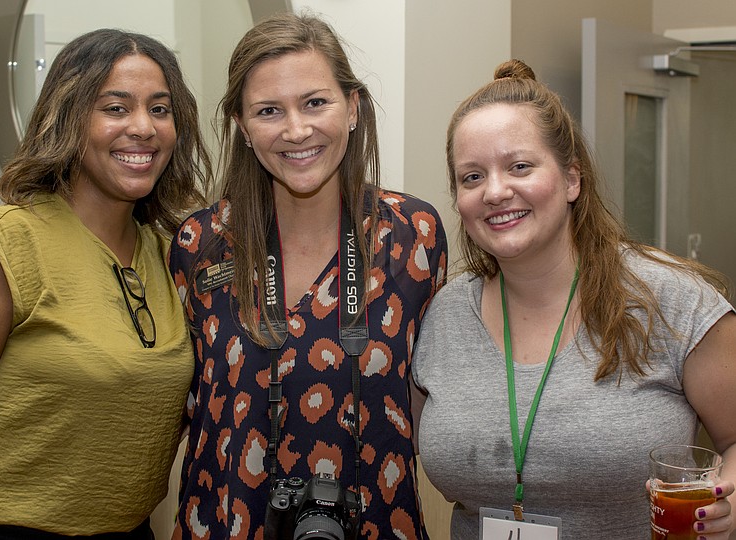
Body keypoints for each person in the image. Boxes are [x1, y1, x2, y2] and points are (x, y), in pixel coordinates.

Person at [411, 58, 736, 539]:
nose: (495, 192)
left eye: (520, 167)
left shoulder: (671, 301)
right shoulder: (443, 314)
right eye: (472, 177)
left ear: (571, 180)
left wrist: (728, 504)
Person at [0, 28, 211, 539]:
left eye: (160, 109)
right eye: (115, 108)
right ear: (69, 118)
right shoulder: (8, 243)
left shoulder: (172, 255)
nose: (143, 127)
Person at [169, 12, 447, 540]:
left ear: (353, 108)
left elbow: (430, 400)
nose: (296, 130)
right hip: (228, 523)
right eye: (269, 111)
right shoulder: (199, 245)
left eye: (315, 102)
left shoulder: (414, 236)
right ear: (242, 127)